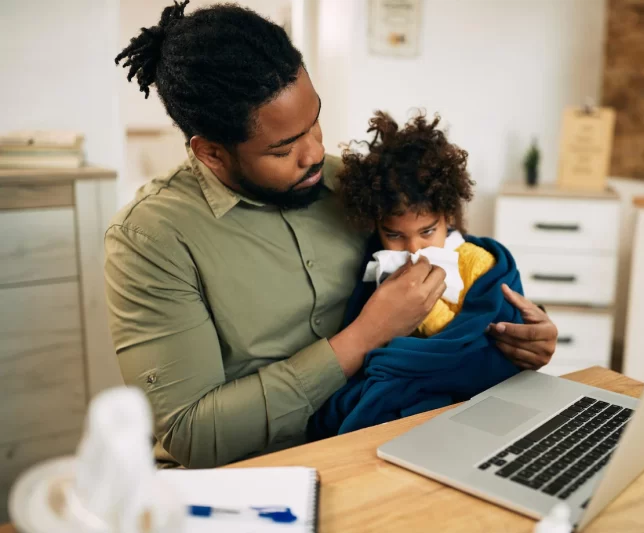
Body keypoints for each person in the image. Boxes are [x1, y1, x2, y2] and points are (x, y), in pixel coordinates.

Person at [107, 0, 558, 469]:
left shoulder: (358, 186)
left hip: (397, 439)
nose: (316, 154)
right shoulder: (150, 240)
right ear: (213, 153)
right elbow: (190, 435)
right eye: (283, 149)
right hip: (259, 472)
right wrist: (365, 336)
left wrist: (524, 335)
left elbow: (458, 271)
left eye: (315, 122)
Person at [307, 111, 528, 438]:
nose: (413, 249)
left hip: (461, 380)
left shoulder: (476, 260)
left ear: (448, 215)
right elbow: (364, 328)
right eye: (394, 234)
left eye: (427, 231)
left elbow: (497, 325)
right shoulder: (377, 263)